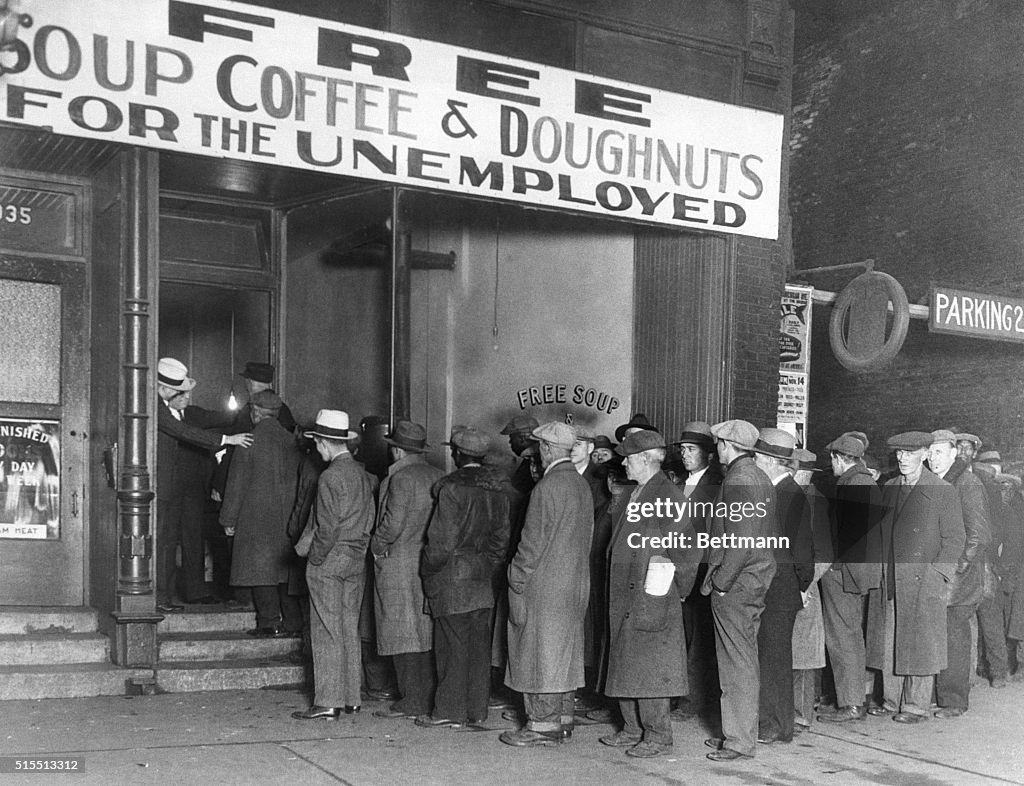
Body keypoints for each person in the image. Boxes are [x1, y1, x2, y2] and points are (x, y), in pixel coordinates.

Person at [599, 430, 701, 758]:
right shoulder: (639, 491)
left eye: (628, 458)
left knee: (651, 668)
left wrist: (675, 592)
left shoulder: (666, 495)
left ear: (645, 459)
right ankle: (632, 728)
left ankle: (658, 736)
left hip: (650, 595)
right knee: (627, 662)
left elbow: (686, 552)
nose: (623, 463)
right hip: (628, 594)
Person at [500, 422, 592, 747]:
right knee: (564, 653)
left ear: (549, 449)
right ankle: (564, 719)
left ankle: (541, 725)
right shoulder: (581, 486)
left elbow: (530, 546)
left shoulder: (546, 488)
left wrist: (515, 577)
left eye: (540, 446)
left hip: (545, 587)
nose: (537, 452)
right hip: (575, 585)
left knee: (537, 654)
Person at [865, 431, 965, 725]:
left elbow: (955, 538)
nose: (903, 459)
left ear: (924, 454)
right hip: (892, 576)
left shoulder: (942, 489)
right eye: (898, 454)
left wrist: (939, 574)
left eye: (909, 454)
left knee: (921, 642)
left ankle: (916, 705)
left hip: (924, 579)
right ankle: (891, 699)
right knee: (890, 638)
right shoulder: (890, 486)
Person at [419, 427, 510, 729]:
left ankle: (448, 710)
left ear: (457, 454)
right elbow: (500, 541)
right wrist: (486, 567)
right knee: (478, 648)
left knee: (451, 648)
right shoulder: (497, 492)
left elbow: (441, 543)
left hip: (451, 579)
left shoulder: (451, 490)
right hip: (482, 580)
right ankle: (477, 709)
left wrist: (429, 570)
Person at [292, 410, 375, 720]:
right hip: (356, 559)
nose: (316, 450)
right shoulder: (363, 475)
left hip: (330, 559)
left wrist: (315, 559)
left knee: (326, 630)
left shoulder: (330, 477)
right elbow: (370, 518)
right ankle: (351, 697)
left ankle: (327, 700)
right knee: (347, 628)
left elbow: (326, 528)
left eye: (317, 444)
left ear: (325, 443)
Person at [702, 419, 776, 762]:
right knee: (743, 657)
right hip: (755, 578)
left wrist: (721, 582)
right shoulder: (759, 475)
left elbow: (742, 541)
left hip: (737, 581)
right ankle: (740, 731)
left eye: (718, 444)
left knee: (736, 661)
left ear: (727, 446)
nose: (716, 449)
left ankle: (739, 740)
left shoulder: (739, 479)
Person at [155, 357, 252, 613]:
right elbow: (183, 432)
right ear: (164, 389)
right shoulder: (155, 408)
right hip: (165, 488)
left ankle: (172, 596)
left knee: (184, 538)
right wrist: (227, 440)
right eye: (179, 393)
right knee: (163, 542)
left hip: (188, 489)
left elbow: (216, 419)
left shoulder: (175, 408)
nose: (184, 397)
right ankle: (161, 597)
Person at [370, 421, 444, 720]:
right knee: (424, 632)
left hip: (398, 563)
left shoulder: (400, 478)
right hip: (427, 561)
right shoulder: (438, 475)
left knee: (400, 631)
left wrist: (375, 546)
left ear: (397, 450)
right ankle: (426, 695)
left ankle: (411, 699)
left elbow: (391, 525)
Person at [218, 391, 302, 637]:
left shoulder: (248, 441)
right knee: (284, 572)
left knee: (260, 569)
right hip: (288, 517)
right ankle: (294, 623)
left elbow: (236, 485)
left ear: (255, 412)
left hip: (255, 518)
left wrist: (228, 520)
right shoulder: (292, 442)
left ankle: (269, 622)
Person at [750, 428, 815, 745]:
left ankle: (777, 726)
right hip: (772, 589)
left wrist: (801, 587)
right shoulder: (773, 491)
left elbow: (804, 552)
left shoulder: (789, 494)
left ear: (771, 460)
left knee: (775, 660)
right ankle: (771, 722)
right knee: (767, 657)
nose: (755, 461)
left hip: (781, 591)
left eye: (758, 457)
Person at [818, 433, 882, 724]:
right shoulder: (864, 481)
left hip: (843, 573)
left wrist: (830, 566)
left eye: (831, 459)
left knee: (842, 637)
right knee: (850, 635)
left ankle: (851, 703)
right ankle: (850, 699)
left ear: (838, 458)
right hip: (855, 571)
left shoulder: (853, 484)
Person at [928, 430, 992, 718]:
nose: (932, 457)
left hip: (959, 581)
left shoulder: (967, 483)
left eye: (939, 452)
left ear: (954, 454)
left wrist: (956, 569)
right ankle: (942, 695)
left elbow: (979, 536)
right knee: (942, 637)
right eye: (930, 451)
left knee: (954, 639)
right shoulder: (942, 482)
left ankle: (954, 701)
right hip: (944, 577)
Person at [671, 421, 722, 720]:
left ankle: (694, 701)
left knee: (700, 642)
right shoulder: (679, 485)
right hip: (678, 571)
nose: (686, 455)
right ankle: (680, 694)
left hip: (700, 573)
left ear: (709, 455)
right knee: (681, 635)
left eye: (692, 450)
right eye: (683, 449)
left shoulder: (715, 488)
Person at [790, 448, 834, 733]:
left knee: (803, 656)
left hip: (806, 588)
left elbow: (825, 554)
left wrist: (805, 587)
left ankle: (802, 714)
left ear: (804, 472)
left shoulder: (814, 501)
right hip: (790, 586)